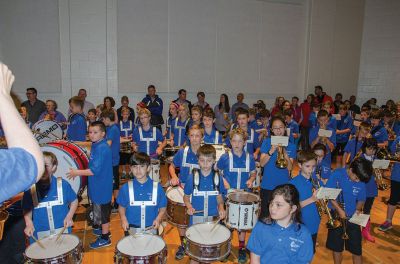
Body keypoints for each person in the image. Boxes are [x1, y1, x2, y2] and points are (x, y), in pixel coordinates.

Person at [0, 63, 44, 203]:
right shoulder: (24, 103)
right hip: (24, 140)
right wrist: (3, 96)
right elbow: (31, 162)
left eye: (30, 93)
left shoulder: (41, 105)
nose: (28, 95)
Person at [68, 121, 113, 249]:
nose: (92, 135)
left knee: (103, 212)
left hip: (102, 186)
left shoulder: (102, 148)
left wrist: (76, 172)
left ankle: (105, 237)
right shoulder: (96, 144)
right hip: (97, 185)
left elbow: (93, 171)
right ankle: (102, 230)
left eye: (95, 132)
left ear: (103, 134)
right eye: (90, 132)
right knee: (98, 209)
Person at [216, 127, 256, 262]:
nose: (237, 144)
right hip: (227, 196)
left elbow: (253, 172)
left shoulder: (249, 157)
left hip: (244, 196)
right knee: (227, 223)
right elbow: (217, 171)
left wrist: (251, 180)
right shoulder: (224, 157)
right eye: (234, 141)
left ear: (244, 142)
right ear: (230, 142)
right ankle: (226, 247)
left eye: (240, 141)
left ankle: (241, 248)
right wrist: (224, 180)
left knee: (242, 224)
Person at [247, 184, 314, 264]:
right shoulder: (261, 227)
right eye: (271, 203)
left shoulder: (303, 234)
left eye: (278, 205)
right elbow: (255, 260)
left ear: (292, 208)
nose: (272, 208)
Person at [183, 144, 226, 264]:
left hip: (212, 220)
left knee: (209, 254)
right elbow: (186, 197)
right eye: (202, 160)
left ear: (214, 161)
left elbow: (219, 197)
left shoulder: (218, 177)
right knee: (195, 256)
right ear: (198, 161)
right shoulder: (191, 178)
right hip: (196, 220)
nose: (205, 164)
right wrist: (189, 206)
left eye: (209, 161)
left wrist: (221, 207)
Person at [325, 158, 372, 264]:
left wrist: (357, 209)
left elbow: (361, 199)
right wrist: (339, 209)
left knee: (357, 250)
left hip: (352, 218)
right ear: (350, 170)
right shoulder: (337, 174)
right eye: (356, 178)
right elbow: (329, 195)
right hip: (336, 215)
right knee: (337, 248)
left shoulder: (360, 178)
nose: (358, 181)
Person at [23, 152, 78, 242]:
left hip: (62, 234)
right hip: (39, 236)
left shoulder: (63, 185)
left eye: (46, 165)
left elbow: (74, 201)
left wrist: (69, 216)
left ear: (54, 167)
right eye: (40, 165)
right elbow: (27, 208)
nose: (42, 169)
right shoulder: (30, 188)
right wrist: (28, 223)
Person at [169, 125, 202, 259]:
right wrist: (174, 176)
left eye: (197, 135)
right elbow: (171, 166)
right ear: (188, 137)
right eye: (192, 135)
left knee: (197, 221)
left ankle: (196, 245)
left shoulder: (205, 152)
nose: (194, 138)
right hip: (183, 191)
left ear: (202, 137)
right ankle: (183, 244)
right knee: (182, 221)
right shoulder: (182, 152)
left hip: (199, 192)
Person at [117, 152, 167, 235]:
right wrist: (123, 219)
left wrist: (158, 219)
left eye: (142, 166)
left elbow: (163, 207)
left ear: (148, 168)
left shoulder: (157, 187)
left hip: (151, 227)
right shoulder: (125, 188)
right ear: (131, 168)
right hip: (131, 228)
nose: (138, 170)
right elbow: (121, 206)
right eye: (135, 167)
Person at [259, 116, 296, 219]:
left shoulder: (291, 145)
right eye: (275, 128)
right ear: (271, 130)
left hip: (283, 186)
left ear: (285, 128)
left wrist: (284, 152)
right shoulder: (267, 142)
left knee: (281, 216)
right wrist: (271, 150)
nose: (278, 130)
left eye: (281, 127)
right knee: (266, 215)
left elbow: (289, 168)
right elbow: (262, 164)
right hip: (267, 185)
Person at [290, 151, 320, 253]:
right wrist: (312, 199)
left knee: (310, 253)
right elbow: (291, 208)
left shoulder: (316, 181)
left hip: (314, 223)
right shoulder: (293, 183)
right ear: (299, 165)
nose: (311, 169)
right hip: (299, 224)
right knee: (297, 253)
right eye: (307, 166)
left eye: (313, 166)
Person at [357, 138, 378, 242]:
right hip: (361, 188)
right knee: (356, 209)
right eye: (369, 149)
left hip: (371, 189)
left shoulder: (376, 159)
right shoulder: (360, 158)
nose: (372, 151)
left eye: (374, 149)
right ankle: (354, 228)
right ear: (364, 148)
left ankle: (366, 231)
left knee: (367, 210)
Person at [378, 134, 400, 232]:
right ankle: (388, 221)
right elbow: (392, 151)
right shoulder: (399, 138)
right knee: (393, 199)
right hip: (397, 174)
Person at [101, 110, 121, 213]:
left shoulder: (113, 129)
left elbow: (108, 145)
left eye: (103, 119)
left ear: (108, 119)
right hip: (111, 161)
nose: (103, 121)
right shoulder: (111, 128)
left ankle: (117, 204)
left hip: (112, 161)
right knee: (113, 183)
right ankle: (115, 202)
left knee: (114, 184)